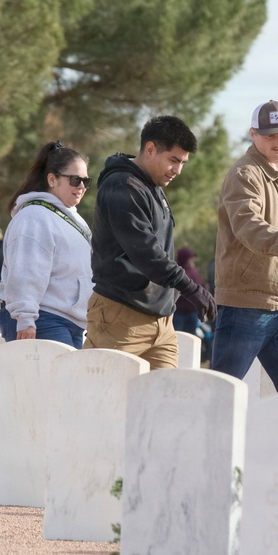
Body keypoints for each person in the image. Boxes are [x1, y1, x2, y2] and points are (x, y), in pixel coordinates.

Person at [86, 116, 214, 368]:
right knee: (103, 401)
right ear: (150, 149)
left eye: (183, 163)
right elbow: (146, 252)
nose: (178, 170)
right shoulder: (122, 186)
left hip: (162, 323)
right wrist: (190, 287)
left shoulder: (152, 186)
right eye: (173, 160)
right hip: (121, 316)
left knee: (164, 404)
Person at [211, 100, 278, 391]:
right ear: (253, 134)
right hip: (246, 304)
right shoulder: (244, 174)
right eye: (271, 134)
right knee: (220, 394)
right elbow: (248, 226)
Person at [0, 142, 92, 348]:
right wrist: (25, 319)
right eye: (76, 180)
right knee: (49, 381)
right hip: (42, 319)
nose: (82, 187)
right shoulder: (35, 216)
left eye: (86, 181)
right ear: (52, 179)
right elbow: (26, 270)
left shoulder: (73, 219)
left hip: (70, 321)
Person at [174, 247, 208, 335]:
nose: (192, 261)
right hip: (179, 312)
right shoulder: (178, 273)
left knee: (190, 337)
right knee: (178, 336)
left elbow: (202, 288)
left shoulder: (194, 272)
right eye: (190, 259)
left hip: (192, 312)